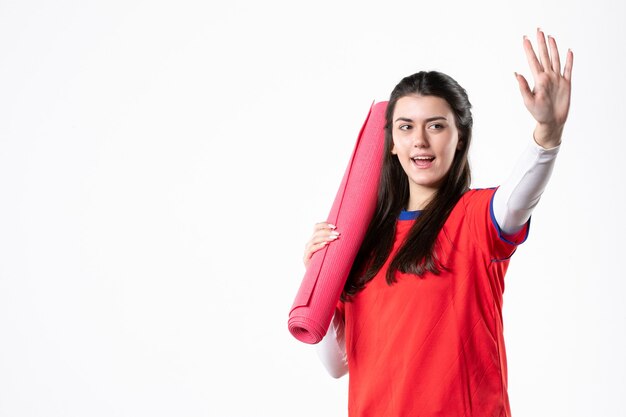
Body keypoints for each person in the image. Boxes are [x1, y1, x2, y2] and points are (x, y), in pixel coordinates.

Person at [302, 29, 573, 417]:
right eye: (406, 127)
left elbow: (519, 198)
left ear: (460, 137)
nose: (420, 141)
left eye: (436, 125)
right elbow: (337, 364)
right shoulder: (361, 242)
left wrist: (548, 133)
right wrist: (320, 278)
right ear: (391, 142)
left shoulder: (475, 218)